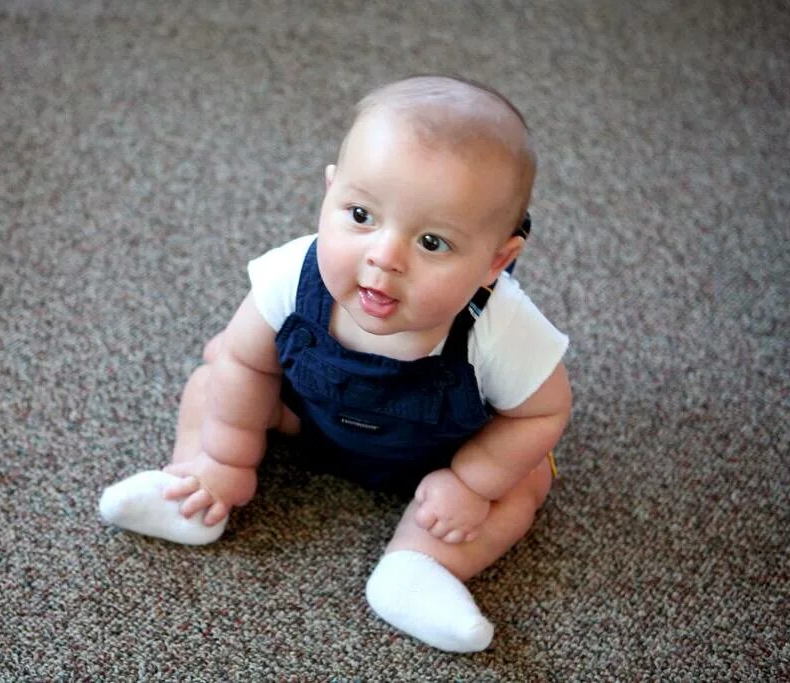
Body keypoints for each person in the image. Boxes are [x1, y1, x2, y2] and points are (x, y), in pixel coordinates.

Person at [99, 75, 572, 653]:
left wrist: (472, 480)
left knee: (526, 480)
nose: (384, 257)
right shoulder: (290, 276)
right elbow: (250, 365)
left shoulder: (503, 328)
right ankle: (197, 489)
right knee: (216, 378)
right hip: (313, 418)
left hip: (440, 454)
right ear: (329, 194)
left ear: (497, 259)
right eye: (360, 214)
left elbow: (542, 414)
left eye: (431, 243)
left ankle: (419, 567)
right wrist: (228, 455)